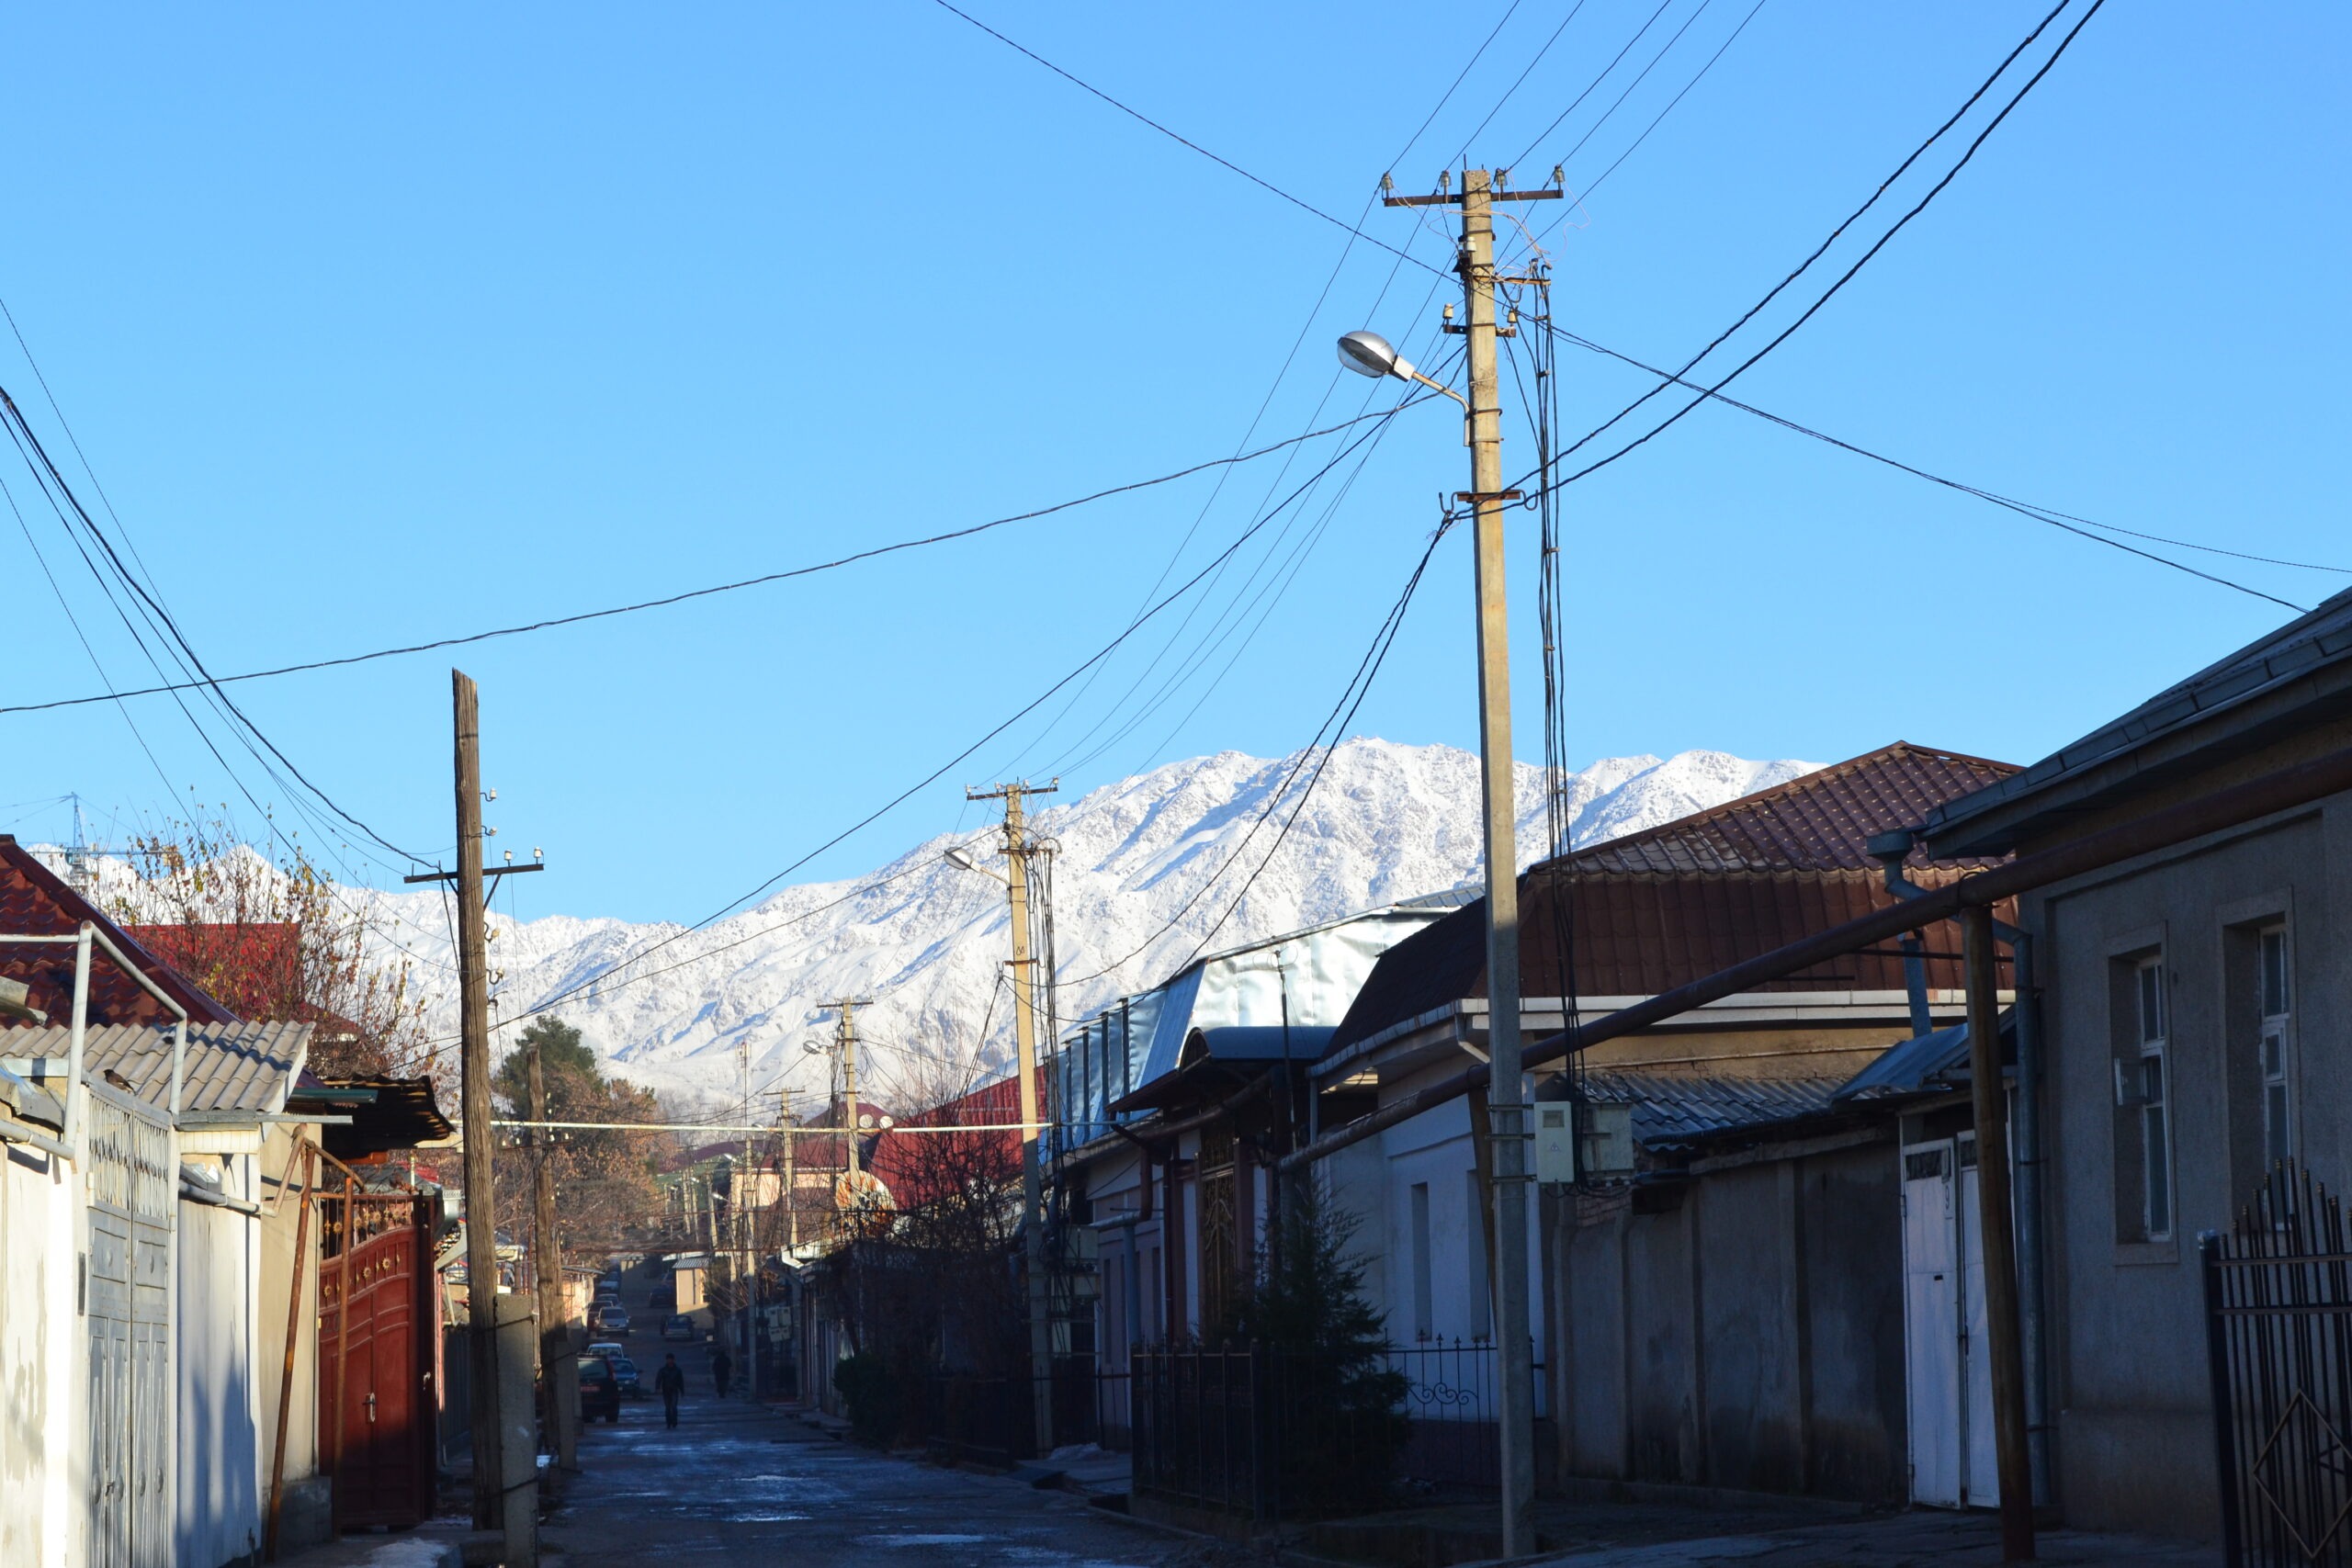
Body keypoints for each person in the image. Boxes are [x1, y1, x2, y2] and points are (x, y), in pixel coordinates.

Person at [656, 1352, 686, 1428]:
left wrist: (682, 1391)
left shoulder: (677, 1370)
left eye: (671, 1359)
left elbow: (680, 1381)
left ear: (673, 1360)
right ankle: (668, 1422)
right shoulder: (663, 1370)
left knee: (673, 1407)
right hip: (666, 1391)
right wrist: (658, 1388)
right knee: (667, 1408)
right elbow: (659, 1379)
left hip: (674, 1390)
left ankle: (674, 1421)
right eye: (668, 1359)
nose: (669, 1361)